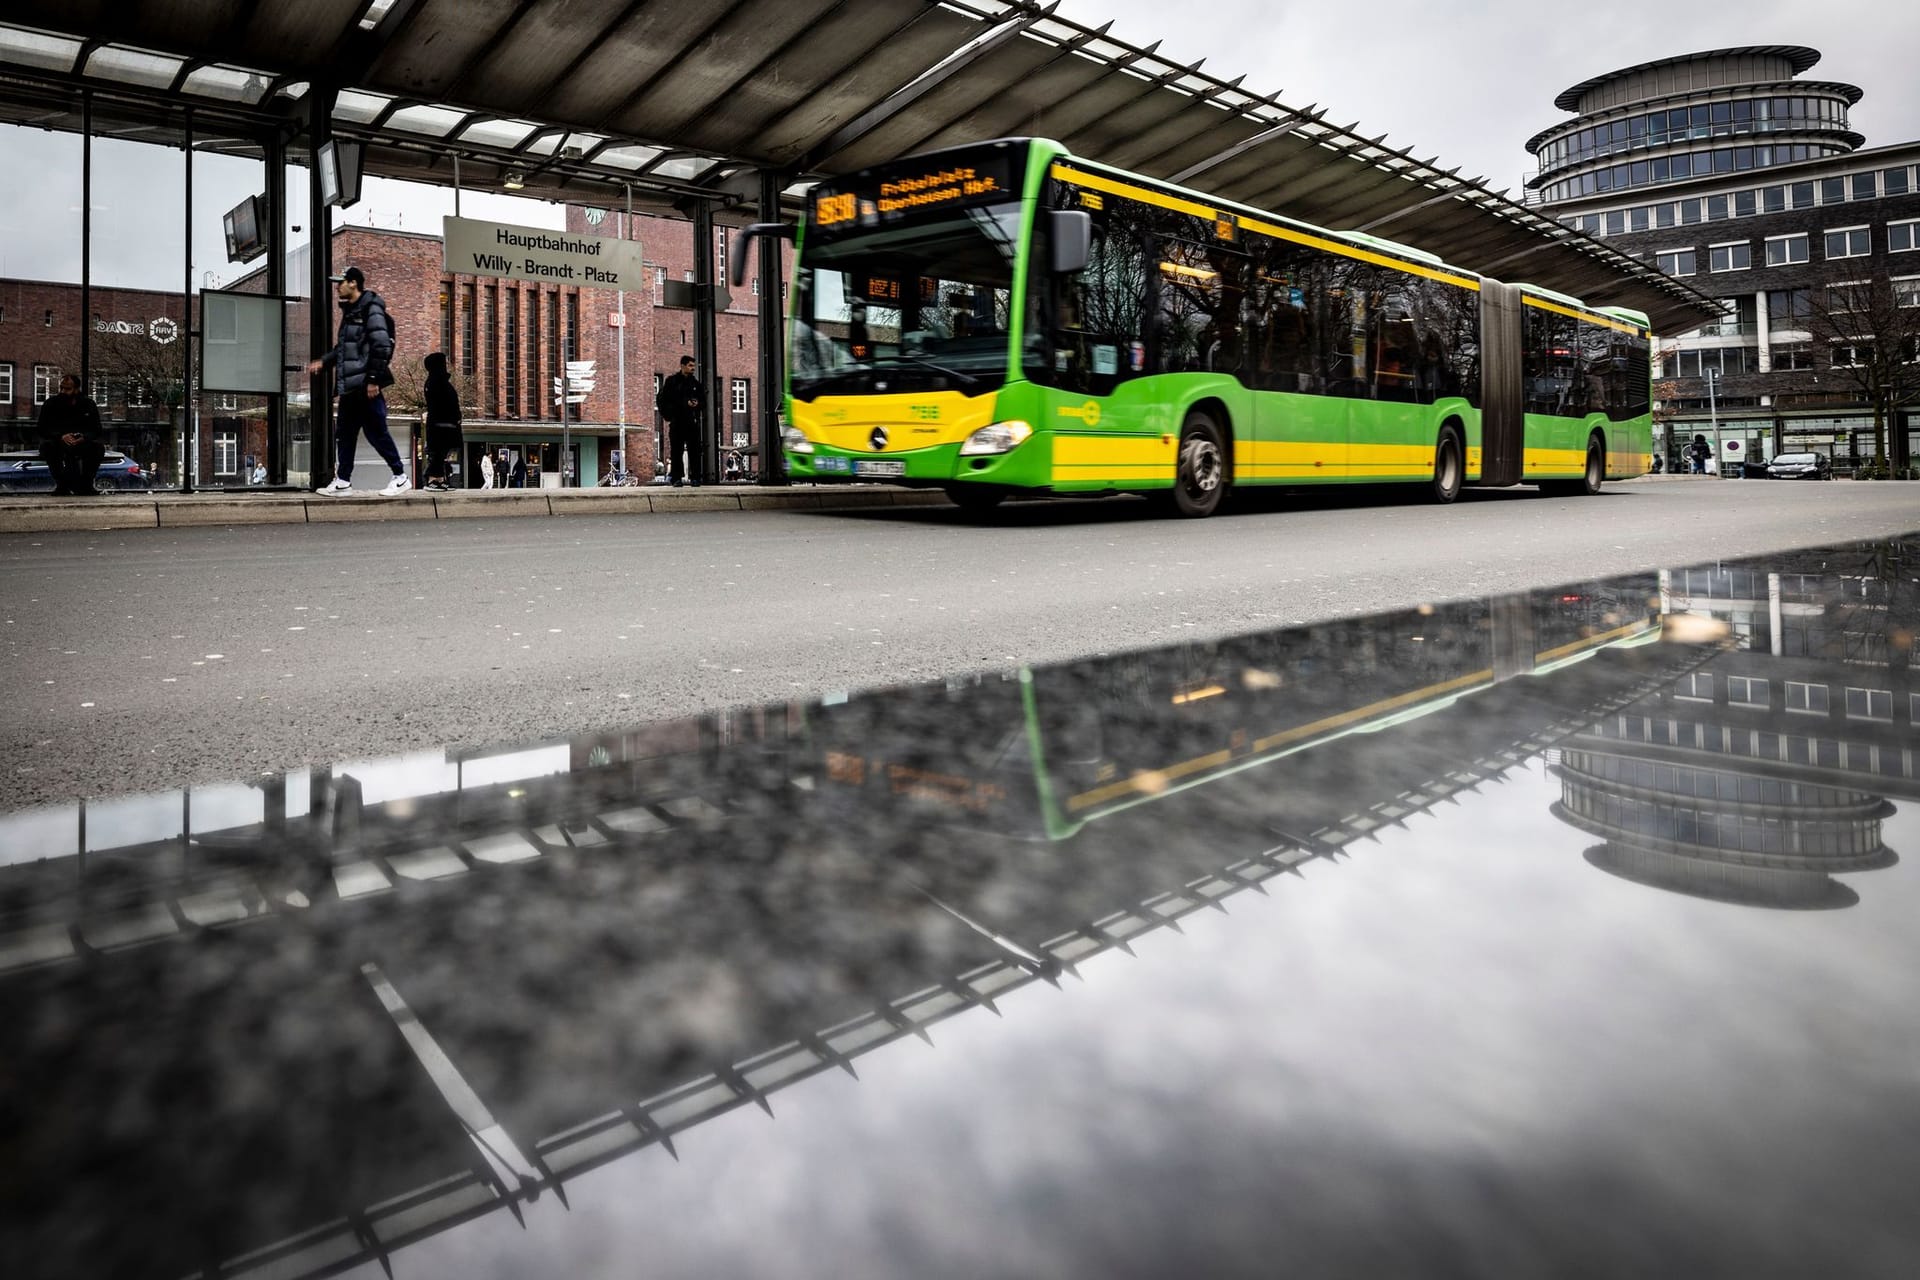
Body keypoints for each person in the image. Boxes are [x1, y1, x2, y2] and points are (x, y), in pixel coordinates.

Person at [307, 266, 408, 496]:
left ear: (353, 283)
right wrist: (324, 362)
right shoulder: (352, 311)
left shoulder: (370, 309)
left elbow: (382, 345)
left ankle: (400, 477)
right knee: (344, 433)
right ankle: (343, 481)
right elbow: (343, 349)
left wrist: (373, 378)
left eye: (340, 282)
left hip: (364, 384)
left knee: (377, 433)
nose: (337, 287)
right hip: (351, 387)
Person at [37, 374, 106, 496]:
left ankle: (85, 484)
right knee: (48, 448)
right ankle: (64, 485)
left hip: (81, 442)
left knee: (97, 448)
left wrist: (83, 437)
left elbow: (97, 429)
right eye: (62, 388)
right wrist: (60, 436)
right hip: (57, 441)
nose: (63, 391)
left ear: (77, 389)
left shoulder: (88, 404)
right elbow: (42, 428)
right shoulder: (51, 404)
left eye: (67, 389)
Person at [656, 355, 705, 487]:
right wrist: (670, 415)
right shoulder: (672, 382)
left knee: (695, 450)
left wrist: (697, 404)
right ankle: (676, 477)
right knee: (676, 450)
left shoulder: (696, 384)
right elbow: (662, 399)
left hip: (692, 421)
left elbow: (703, 401)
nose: (693, 368)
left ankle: (696, 477)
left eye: (694, 366)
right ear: (682, 366)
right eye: (690, 366)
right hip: (677, 421)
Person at [420, 352, 464, 492]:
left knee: (442, 453)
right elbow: (442, 404)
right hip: (441, 425)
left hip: (446, 424)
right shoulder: (436, 382)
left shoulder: (439, 381)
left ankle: (440, 479)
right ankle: (432, 478)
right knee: (438, 453)